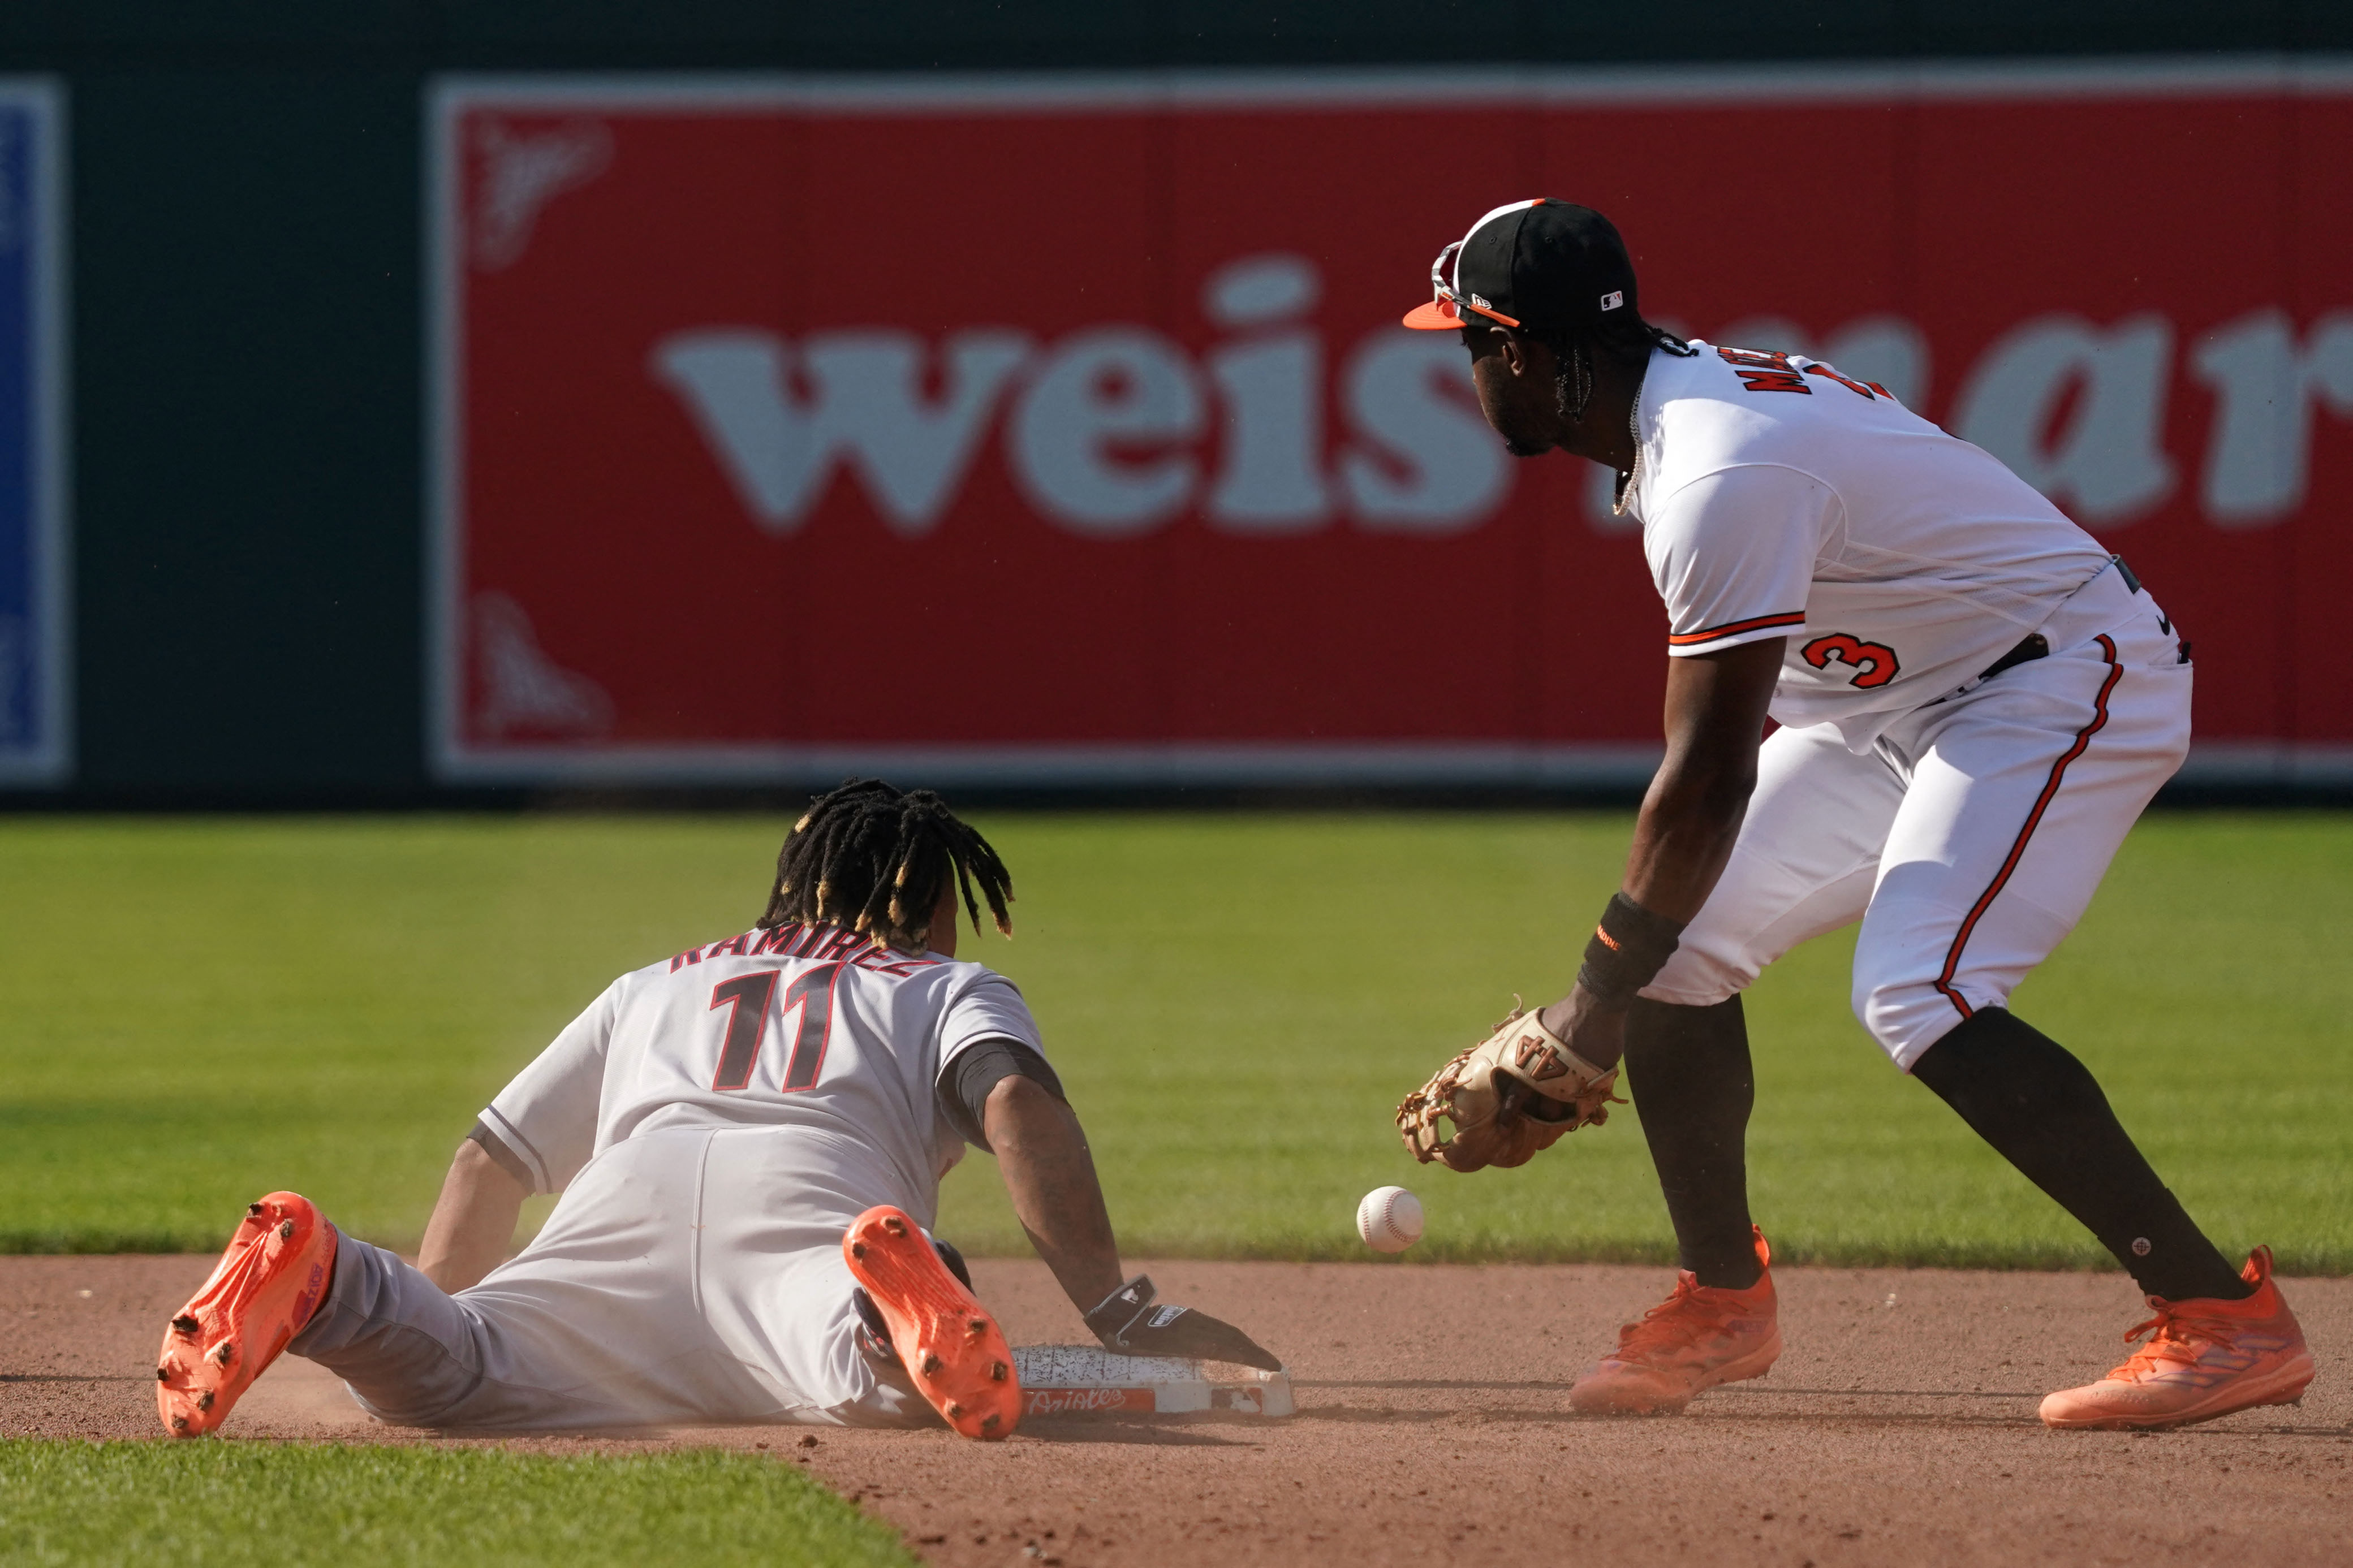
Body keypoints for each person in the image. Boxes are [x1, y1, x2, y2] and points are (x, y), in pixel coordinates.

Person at [1393, 199, 2313, 1430]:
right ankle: (1723, 1301)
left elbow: (1708, 773)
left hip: (2052, 676)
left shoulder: (1720, 467)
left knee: (1915, 985)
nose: (1464, 372)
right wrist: (1613, 988)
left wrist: (1585, 1010)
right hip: (1897, 704)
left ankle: (2219, 1317)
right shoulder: (1672, 415)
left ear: (1523, 353)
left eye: (1467, 346)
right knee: (1678, 949)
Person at [157, 780, 1277, 1441]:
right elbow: (1015, 1102)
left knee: (458, 1364)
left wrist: (435, 1321)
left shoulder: (657, 981)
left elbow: (486, 1162)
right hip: (802, 1242)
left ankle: (334, 1279)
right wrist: (1120, 1309)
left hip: (610, 1237)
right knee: (862, 1375)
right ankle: (888, 1309)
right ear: (928, 904)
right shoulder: (940, 985)